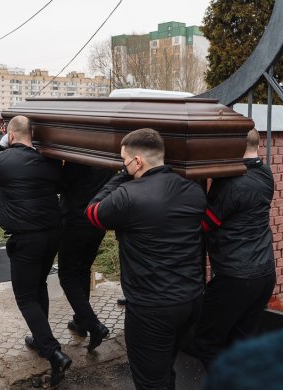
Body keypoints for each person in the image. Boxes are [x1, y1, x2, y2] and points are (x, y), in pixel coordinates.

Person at [86, 128, 206, 389]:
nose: (123, 165)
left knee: (150, 381)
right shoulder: (193, 190)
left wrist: (120, 176)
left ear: (137, 161)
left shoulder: (128, 195)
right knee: (165, 368)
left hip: (152, 308)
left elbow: (94, 213)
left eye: (124, 160)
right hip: (191, 299)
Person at [0, 115, 71, 386]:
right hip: (52, 234)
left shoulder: (2, 159)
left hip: (25, 239)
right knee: (38, 286)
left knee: (25, 297)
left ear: (11, 134)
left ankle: (53, 351)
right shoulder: (49, 160)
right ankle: (41, 340)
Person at [192, 129, 276, 370]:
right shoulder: (265, 172)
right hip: (264, 272)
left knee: (206, 341)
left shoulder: (230, 183)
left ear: (232, 146)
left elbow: (206, 224)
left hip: (236, 277)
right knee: (242, 340)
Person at [58, 162, 114, 351]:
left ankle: (93, 325)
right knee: (82, 271)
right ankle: (81, 321)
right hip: (97, 221)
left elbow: (60, 183)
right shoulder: (106, 159)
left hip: (75, 221)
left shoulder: (78, 162)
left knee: (67, 275)